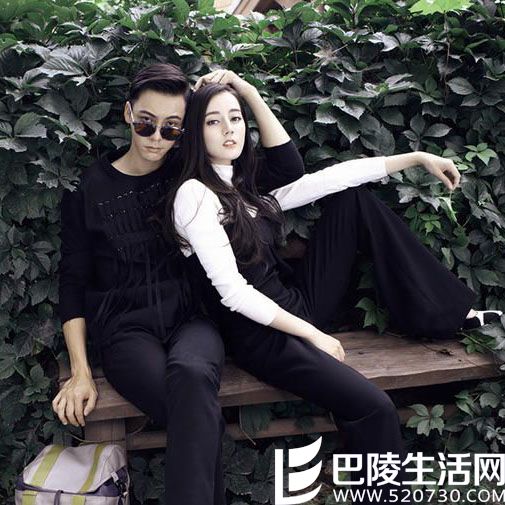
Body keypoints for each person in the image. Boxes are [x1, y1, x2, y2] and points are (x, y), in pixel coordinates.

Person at [161, 71, 503, 504]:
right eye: (214, 121)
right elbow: (232, 293)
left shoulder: (242, 185)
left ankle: (445, 315)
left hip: (297, 304)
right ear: (195, 131)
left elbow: (325, 180)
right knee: (373, 407)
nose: (229, 129)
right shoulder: (194, 195)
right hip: (263, 335)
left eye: (235, 118)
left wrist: (415, 157)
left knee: (351, 199)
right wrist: (314, 335)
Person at [52, 63, 304, 505]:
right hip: (126, 329)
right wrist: (80, 372)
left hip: (193, 318)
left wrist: (242, 88)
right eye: (146, 123)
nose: (156, 138)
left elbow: (286, 168)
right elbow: (73, 281)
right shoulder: (89, 188)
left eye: (171, 128)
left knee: (192, 377)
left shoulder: (190, 175)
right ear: (128, 113)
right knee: (193, 409)